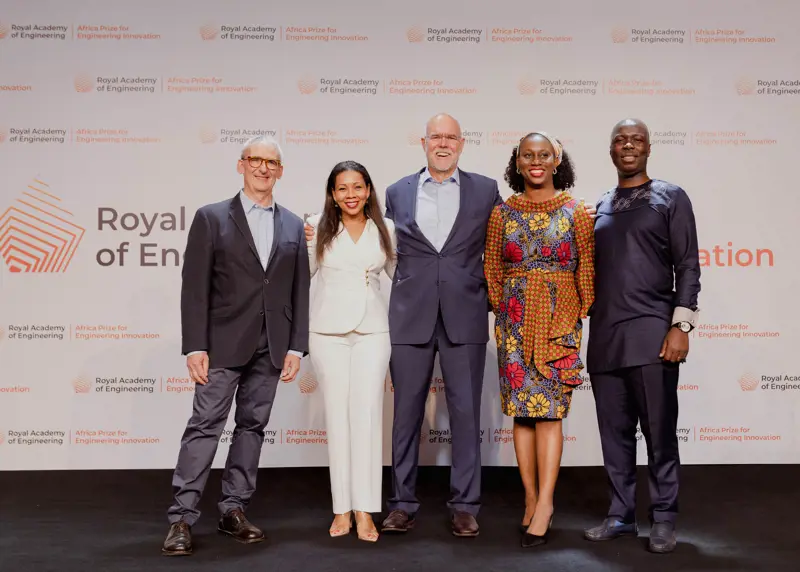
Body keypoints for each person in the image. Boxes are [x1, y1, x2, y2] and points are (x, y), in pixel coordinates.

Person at [162, 135, 310, 556]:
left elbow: (300, 290)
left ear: (281, 171)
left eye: (272, 162)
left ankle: (233, 510)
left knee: (251, 428)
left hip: (272, 347)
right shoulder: (212, 218)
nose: (264, 168)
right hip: (222, 343)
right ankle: (181, 518)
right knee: (205, 426)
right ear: (241, 165)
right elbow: (195, 288)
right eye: (256, 160)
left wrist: (296, 347)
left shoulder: (293, 225)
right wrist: (195, 345)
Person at [583, 118, 701, 554]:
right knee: (613, 435)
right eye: (619, 140)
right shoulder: (600, 204)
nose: (627, 145)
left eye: (636, 139)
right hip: (605, 339)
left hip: (653, 335)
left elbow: (688, 265)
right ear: (611, 150)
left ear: (648, 148)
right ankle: (620, 515)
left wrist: (681, 325)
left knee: (659, 432)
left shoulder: (671, 197)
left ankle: (664, 519)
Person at [484, 132, 595, 548]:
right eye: (528, 155)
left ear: (556, 160)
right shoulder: (502, 212)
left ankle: (546, 503)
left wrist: (572, 313)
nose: (535, 162)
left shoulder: (576, 210)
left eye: (543, 155)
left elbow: (586, 269)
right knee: (522, 413)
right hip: (513, 321)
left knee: (549, 413)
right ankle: (529, 497)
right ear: (517, 163)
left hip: (559, 319)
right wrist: (506, 311)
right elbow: (492, 268)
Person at [305, 161, 396, 542]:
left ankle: (365, 511)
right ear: (332, 194)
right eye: (342, 188)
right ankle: (341, 508)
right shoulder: (316, 227)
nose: (351, 195)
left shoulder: (387, 229)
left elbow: (401, 276)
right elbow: (299, 277)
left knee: (367, 417)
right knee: (338, 419)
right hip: (327, 333)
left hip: (373, 330)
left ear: (369, 190)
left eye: (357, 187)